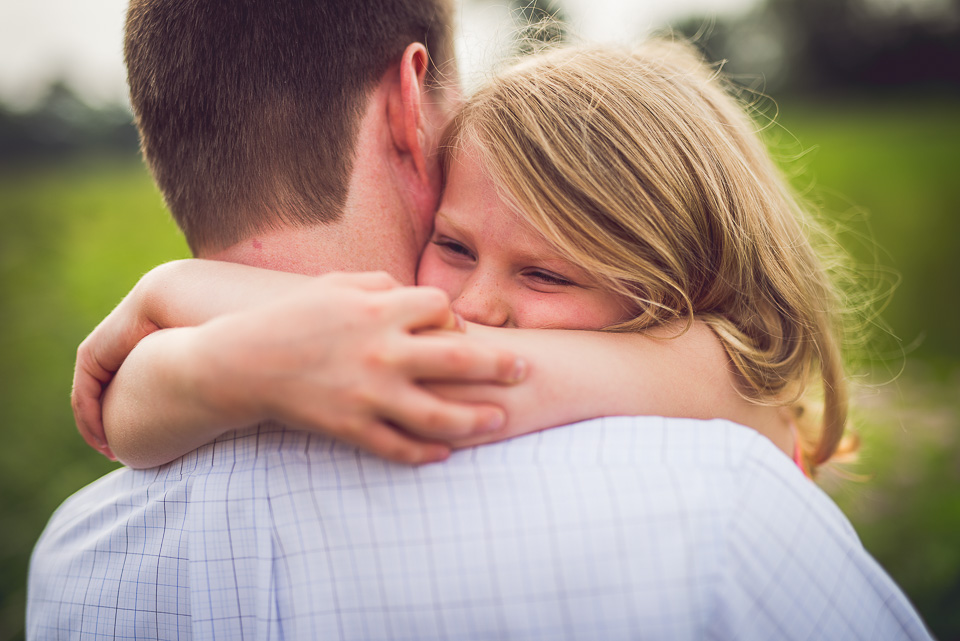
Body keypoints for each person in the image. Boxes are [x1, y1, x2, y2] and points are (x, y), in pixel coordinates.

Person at [27, 2, 931, 640]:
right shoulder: (714, 495)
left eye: (545, 272)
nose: (475, 305)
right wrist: (185, 350)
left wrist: (182, 308)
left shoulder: (72, 563)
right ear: (410, 105)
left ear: (674, 292)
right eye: (454, 247)